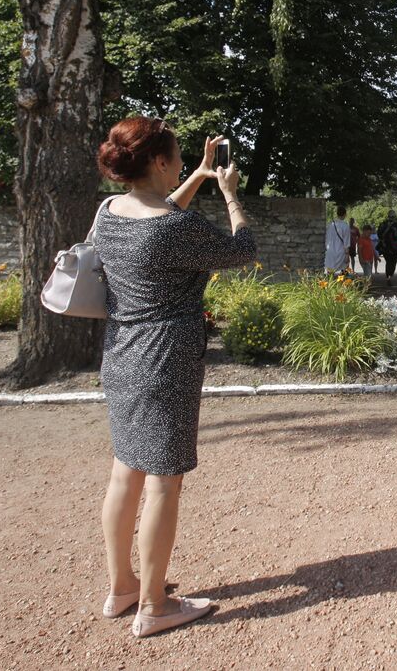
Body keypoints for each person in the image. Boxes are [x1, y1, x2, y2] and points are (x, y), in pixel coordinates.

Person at [93, 116, 257, 637]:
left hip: (121, 355)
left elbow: (159, 213)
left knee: (125, 473)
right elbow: (243, 253)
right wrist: (229, 194)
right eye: (182, 157)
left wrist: (202, 174)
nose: (185, 162)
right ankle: (155, 608)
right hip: (166, 361)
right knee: (164, 483)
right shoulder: (176, 228)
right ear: (160, 162)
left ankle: (122, 588)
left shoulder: (109, 212)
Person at [377, 210, 397, 287]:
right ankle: (389, 277)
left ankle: (389, 276)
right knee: (391, 262)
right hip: (390, 247)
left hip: (389, 247)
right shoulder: (396, 225)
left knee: (390, 262)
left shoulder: (385, 224)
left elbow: (379, 234)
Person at [324, 205, 351, 272]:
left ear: (337, 214)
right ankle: (342, 282)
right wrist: (347, 255)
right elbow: (346, 243)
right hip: (340, 252)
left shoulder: (330, 224)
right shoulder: (345, 226)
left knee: (330, 272)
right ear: (345, 214)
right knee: (343, 272)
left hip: (329, 251)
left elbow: (326, 238)